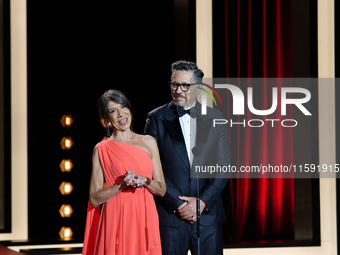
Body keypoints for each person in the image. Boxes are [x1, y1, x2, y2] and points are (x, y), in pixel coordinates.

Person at [144, 60, 230, 255]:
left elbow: (223, 166)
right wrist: (179, 204)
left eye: (185, 85)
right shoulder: (156, 118)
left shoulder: (216, 117)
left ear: (198, 88)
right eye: (174, 84)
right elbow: (150, 166)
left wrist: (201, 202)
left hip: (208, 216)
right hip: (170, 216)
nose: (178, 90)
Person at [82, 89, 166, 255]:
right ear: (106, 119)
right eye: (113, 111)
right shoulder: (101, 149)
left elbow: (162, 189)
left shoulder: (149, 142)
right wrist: (122, 184)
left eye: (123, 107)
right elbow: (94, 198)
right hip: (116, 218)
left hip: (144, 217)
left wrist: (144, 180)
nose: (121, 114)